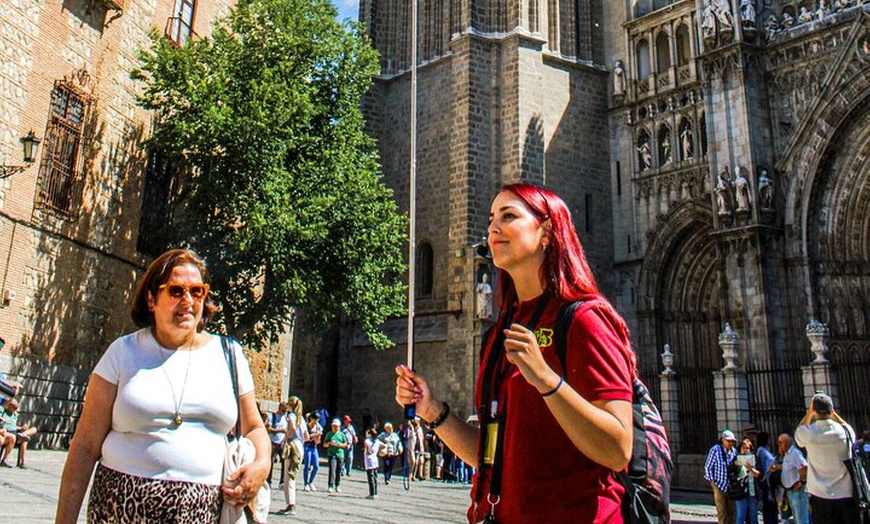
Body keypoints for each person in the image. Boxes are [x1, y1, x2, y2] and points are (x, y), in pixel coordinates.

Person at [396, 183, 635, 523]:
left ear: (547, 232)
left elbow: (617, 450)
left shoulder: (584, 319)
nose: (493, 227)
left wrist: (547, 380)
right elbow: (493, 456)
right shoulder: (500, 331)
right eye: (492, 217)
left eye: (509, 216)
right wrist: (432, 410)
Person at [54, 248, 270, 524]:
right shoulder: (123, 353)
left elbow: (254, 428)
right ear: (152, 298)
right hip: (120, 510)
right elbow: (85, 445)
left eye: (197, 291)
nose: (188, 300)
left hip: (202, 514)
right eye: (176, 290)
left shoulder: (229, 355)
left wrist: (262, 466)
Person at [794, 392, 860, 524]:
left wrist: (809, 414)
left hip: (820, 495)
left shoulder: (809, 433)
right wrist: (834, 413)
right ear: (831, 409)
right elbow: (848, 428)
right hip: (845, 492)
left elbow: (799, 431)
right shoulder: (845, 432)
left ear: (814, 410)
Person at [278, 396, 306, 516]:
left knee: (288, 476)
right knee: (292, 475)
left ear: (290, 405)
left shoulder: (291, 416)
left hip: (293, 445)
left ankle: (291, 505)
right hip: (300, 446)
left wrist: (286, 438)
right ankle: (290, 504)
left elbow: (293, 427)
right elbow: (306, 436)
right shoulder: (302, 419)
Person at [705, 429, 739, 524]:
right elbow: (708, 466)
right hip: (719, 485)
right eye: (728, 441)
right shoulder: (715, 450)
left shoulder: (734, 452)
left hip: (731, 486)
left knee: (731, 512)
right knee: (722, 512)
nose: (730, 443)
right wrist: (712, 482)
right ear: (722, 440)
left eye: (732, 441)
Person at [778, 432, 809, 524]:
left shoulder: (794, 453)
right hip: (790, 491)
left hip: (797, 491)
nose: (778, 445)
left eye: (780, 442)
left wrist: (800, 481)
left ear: (787, 442)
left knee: (801, 519)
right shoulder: (787, 454)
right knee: (796, 519)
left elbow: (804, 467)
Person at [0, 398, 37, 468]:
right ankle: (21, 436)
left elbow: (13, 426)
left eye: (16, 408)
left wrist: (21, 428)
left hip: (15, 431)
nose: (15, 409)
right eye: (14, 407)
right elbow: (2, 424)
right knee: (23, 439)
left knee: (33, 429)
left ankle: (22, 462)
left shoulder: (15, 415)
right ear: (10, 406)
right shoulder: (4, 412)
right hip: (8, 432)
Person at [755, 432, 780, 524]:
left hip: (764, 482)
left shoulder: (760, 451)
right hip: (768, 483)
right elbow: (768, 468)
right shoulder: (763, 452)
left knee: (769, 507)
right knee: (770, 507)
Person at [735, 438, 760, 524]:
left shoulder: (754, 459)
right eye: (743, 448)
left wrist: (750, 468)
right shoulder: (736, 459)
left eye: (747, 448)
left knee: (753, 515)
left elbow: (758, 474)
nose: (746, 450)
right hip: (741, 491)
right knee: (740, 515)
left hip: (752, 491)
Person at [323, 418, 348, 493]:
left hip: (340, 454)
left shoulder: (341, 435)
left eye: (336, 426)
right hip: (331, 454)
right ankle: (330, 485)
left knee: (339, 471)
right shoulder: (329, 434)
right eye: (333, 426)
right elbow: (324, 444)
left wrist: (339, 445)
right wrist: (329, 444)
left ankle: (337, 485)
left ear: (339, 427)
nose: (334, 427)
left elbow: (346, 444)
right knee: (332, 470)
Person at [266, 401, 288, 485]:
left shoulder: (285, 418)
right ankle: (268, 480)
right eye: (283, 411)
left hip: (282, 443)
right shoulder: (272, 416)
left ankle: (282, 481)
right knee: (271, 462)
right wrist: (280, 430)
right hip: (273, 442)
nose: (284, 413)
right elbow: (269, 429)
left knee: (284, 462)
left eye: (285, 411)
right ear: (279, 408)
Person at [302, 411, 322, 491]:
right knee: (307, 466)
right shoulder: (306, 426)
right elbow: (305, 437)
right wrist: (314, 435)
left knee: (316, 466)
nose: (316, 421)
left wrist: (318, 436)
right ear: (311, 418)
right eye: (315, 419)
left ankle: (311, 482)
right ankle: (305, 483)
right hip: (307, 446)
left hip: (314, 447)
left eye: (317, 419)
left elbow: (318, 441)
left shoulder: (317, 427)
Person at [363, 428, 383, 499]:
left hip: (369, 460)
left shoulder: (367, 441)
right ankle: (375, 493)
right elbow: (384, 445)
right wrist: (379, 450)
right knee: (375, 477)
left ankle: (371, 493)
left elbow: (368, 451)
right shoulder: (377, 441)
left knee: (370, 477)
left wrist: (370, 451)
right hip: (375, 459)